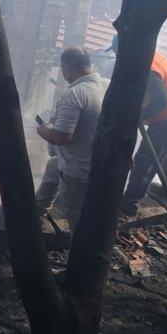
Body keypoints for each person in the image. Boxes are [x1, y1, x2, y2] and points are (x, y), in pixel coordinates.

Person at [34, 47, 107, 229]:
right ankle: (34, 216)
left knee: (77, 219)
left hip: (78, 168)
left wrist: (43, 131)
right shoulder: (107, 84)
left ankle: (80, 254)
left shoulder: (74, 95)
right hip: (95, 159)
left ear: (66, 67)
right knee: (53, 167)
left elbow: (62, 137)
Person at [121, 50, 167, 215]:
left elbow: (161, 99)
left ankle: (130, 205)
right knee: (164, 154)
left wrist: (140, 117)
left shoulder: (149, 69)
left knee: (145, 160)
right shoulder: (153, 56)